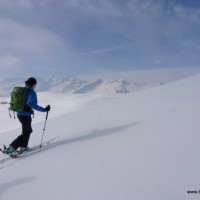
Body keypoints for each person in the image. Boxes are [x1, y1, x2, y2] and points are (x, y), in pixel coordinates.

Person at [4, 77, 50, 155]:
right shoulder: (31, 92)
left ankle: (23, 147)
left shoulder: (23, 90)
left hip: (19, 114)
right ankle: (11, 147)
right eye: (35, 84)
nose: (36, 85)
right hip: (25, 115)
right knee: (26, 132)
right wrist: (45, 110)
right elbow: (34, 106)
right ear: (33, 84)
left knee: (28, 131)